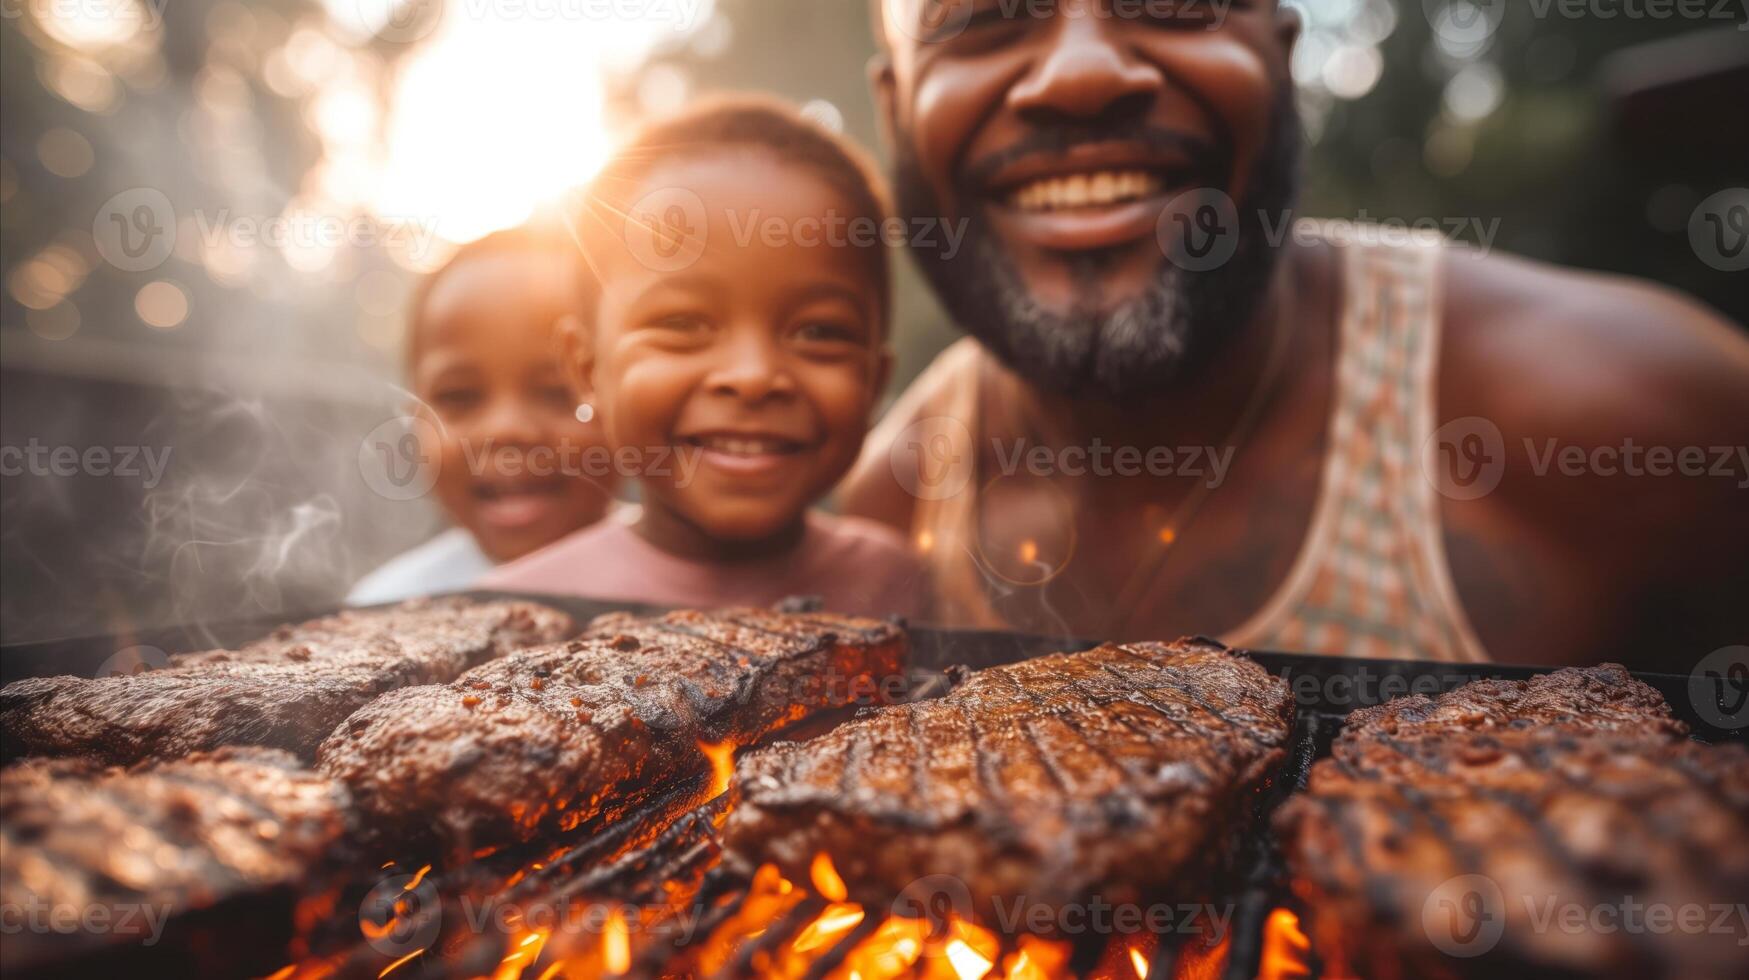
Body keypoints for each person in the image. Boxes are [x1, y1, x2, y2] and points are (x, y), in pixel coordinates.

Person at [841, 0, 1749, 669]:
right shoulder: (888, 524)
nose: (1082, 74)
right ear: (895, 109)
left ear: (1279, 54)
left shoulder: (1638, 421)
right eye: (981, 17)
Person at [482, 98, 925, 619]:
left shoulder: (904, 586)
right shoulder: (515, 616)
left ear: (873, 382)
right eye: (681, 325)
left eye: (818, 331)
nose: (753, 376)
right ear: (587, 370)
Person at [349, 225, 618, 604]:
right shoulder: (385, 609)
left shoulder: (698, 585)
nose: (505, 428)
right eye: (459, 397)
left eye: (559, 392)